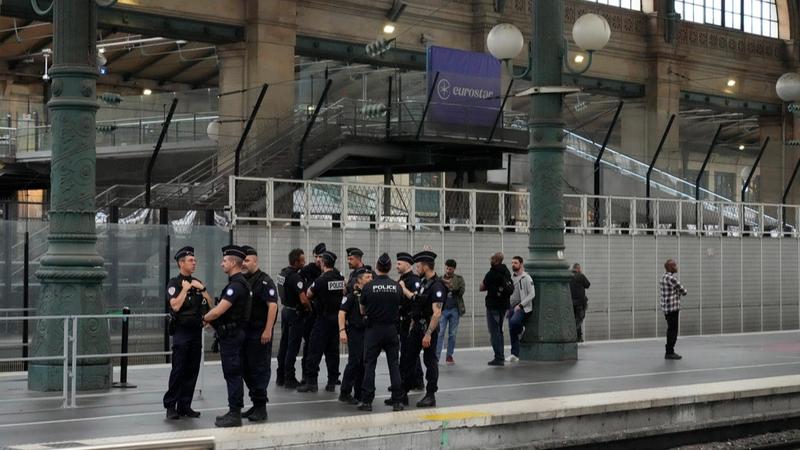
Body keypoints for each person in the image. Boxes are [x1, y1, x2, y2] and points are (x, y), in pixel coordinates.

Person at [203, 245, 252, 428]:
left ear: (232, 263)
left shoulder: (236, 286)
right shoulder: (239, 283)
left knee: (232, 374)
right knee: (233, 374)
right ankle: (234, 410)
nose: (221, 263)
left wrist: (205, 318)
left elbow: (219, 311)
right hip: (232, 334)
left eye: (224, 261)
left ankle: (234, 413)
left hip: (231, 336)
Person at [163, 246, 214, 420]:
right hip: (181, 332)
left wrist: (203, 288)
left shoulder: (197, 282)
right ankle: (171, 406)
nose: (194, 263)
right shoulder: (174, 284)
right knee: (178, 370)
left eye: (195, 260)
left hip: (195, 332)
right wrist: (185, 289)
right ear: (181, 263)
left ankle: (185, 405)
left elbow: (210, 304)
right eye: (191, 260)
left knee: (192, 369)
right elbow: (175, 306)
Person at [359, 253, 406, 412]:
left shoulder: (368, 287)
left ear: (377, 268)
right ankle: (398, 401)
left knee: (369, 364)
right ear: (390, 267)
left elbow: (362, 309)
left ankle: (367, 401)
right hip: (392, 329)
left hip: (373, 330)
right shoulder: (397, 286)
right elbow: (400, 305)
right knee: (394, 364)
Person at [399, 250, 445, 408]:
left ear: (425, 266)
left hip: (427, 329)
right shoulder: (424, 283)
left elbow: (437, 312)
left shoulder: (437, 285)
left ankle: (430, 395)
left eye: (418, 265)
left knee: (430, 361)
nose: (416, 268)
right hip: (417, 327)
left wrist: (428, 334)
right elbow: (417, 301)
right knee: (408, 360)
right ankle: (402, 393)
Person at [239, 245, 278, 423]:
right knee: (246, 369)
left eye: (247, 260)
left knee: (259, 369)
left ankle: (261, 408)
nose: (244, 264)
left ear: (255, 261)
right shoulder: (242, 280)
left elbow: (273, 305)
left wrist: (268, 329)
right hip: (245, 333)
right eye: (242, 261)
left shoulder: (265, 281)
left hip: (259, 332)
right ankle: (255, 403)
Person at [298, 250, 345, 393]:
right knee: (333, 352)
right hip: (335, 319)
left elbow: (309, 294)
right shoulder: (340, 278)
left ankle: (311, 383)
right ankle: (331, 381)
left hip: (322, 319)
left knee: (314, 350)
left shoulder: (320, 280)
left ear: (323, 263)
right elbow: (344, 292)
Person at [276, 249, 310, 389]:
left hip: (285, 311)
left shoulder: (282, 273)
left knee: (283, 344)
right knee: (292, 346)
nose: (304, 262)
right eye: (302, 260)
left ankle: (280, 376)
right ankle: (290, 378)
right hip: (295, 314)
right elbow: (303, 299)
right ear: (296, 262)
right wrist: (309, 308)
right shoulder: (295, 277)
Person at [338, 267, 372, 405]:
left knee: (364, 363)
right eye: (367, 277)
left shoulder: (370, 295)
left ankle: (359, 392)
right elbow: (341, 313)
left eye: (371, 277)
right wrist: (342, 331)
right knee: (354, 362)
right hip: (355, 331)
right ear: (359, 281)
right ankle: (345, 392)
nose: (371, 279)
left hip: (367, 332)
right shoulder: (351, 296)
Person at [298, 243, 326, 387]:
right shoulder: (308, 270)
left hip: (324, 314)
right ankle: (306, 376)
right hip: (310, 313)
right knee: (309, 345)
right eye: (316, 256)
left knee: (328, 347)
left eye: (321, 257)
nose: (318, 260)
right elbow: (298, 286)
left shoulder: (329, 270)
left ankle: (332, 378)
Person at [396, 251, 424, 391]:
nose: (396, 266)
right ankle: (404, 381)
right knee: (406, 352)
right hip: (402, 320)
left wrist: (403, 288)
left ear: (407, 264)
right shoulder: (401, 279)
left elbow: (416, 300)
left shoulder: (414, 280)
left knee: (410, 352)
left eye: (399, 263)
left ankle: (417, 381)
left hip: (410, 320)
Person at [479, 252, 513, 366]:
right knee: (499, 331)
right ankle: (501, 355)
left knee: (494, 332)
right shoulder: (506, 271)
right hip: (504, 306)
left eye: (492, 259)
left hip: (493, 305)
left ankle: (498, 357)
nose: (490, 260)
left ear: (495, 260)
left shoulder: (492, 273)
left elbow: (482, 287)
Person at [436, 259, 465, 365]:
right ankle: (436, 356)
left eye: (450, 269)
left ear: (454, 269)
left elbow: (461, 291)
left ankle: (449, 356)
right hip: (443, 310)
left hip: (455, 310)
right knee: (440, 333)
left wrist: (451, 286)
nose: (448, 270)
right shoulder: (440, 279)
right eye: (447, 268)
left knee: (452, 334)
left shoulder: (459, 279)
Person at [507, 256, 534, 362]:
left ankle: (521, 329)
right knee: (511, 330)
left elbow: (532, 294)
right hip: (511, 306)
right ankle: (515, 354)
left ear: (521, 264)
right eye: (512, 262)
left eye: (516, 263)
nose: (513, 264)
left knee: (514, 322)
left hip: (522, 307)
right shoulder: (511, 278)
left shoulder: (526, 277)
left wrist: (521, 305)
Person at [660, 259, 687, 360]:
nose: (677, 267)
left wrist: (676, 291)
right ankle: (669, 352)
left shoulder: (663, 277)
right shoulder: (672, 279)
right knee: (673, 330)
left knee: (670, 329)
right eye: (675, 265)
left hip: (666, 308)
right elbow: (684, 291)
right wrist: (678, 292)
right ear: (671, 267)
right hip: (673, 308)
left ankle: (669, 351)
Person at [569, 263, 591, 343]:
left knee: (575, 318)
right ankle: (573, 334)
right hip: (580, 302)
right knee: (579, 319)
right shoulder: (580, 276)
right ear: (578, 269)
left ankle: (578, 337)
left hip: (570, 302)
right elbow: (588, 285)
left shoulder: (568, 276)